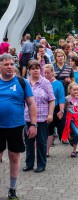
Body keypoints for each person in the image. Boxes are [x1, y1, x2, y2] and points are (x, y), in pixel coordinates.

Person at [0, 54, 37, 200]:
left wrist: (33, 124)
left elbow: (31, 104)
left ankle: (12, 189)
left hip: (16, 127)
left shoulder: (22, 82)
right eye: (6, 64)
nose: (9, 67)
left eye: (11, 64)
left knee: (14, 156)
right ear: (0, 66)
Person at [23, 60, 55, 173]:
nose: (35, 70)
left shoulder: (45, 82)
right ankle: (29, 163)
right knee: (29, 142)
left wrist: (50, 114)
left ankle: (41, 164)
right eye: (33, 68)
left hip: (42, 117)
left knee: (41, 142)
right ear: (29, 70)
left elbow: (52, 100)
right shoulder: (25, 83)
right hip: (28, 117)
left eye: (37, 67)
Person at [62, 83, 78, 158]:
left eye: (77, 89)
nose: (76, 91)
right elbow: (63, 108)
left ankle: (74, 151)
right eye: (74, 90)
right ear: (70, 90)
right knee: (77, 133)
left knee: (77, 133)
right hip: (71, 119)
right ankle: (71, 139)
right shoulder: (67, 98)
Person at [44, 64, 65, 156]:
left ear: (52, 72)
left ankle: (46, 151)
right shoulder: (42, 82)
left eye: (48, 73)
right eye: (44, 72)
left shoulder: (58, 84)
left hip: (54, 109)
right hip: (43, 108)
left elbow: (61, 98)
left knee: (50, 130)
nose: (45, 74)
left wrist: (61, 110)